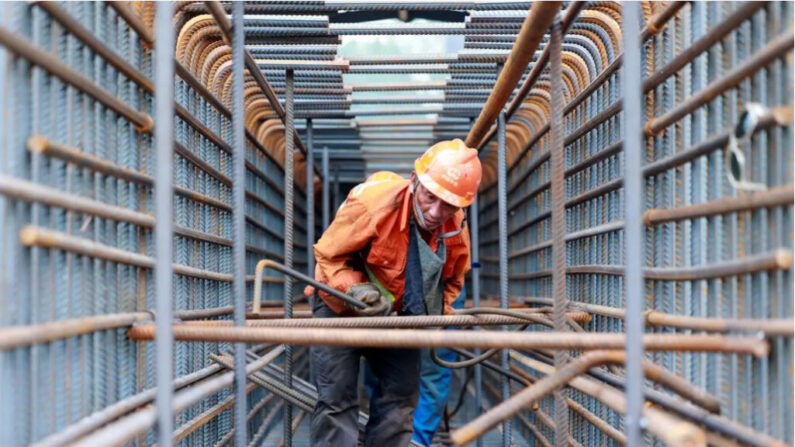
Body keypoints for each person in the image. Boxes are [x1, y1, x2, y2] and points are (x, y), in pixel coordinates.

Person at [305, 139, 482, 447]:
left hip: (400, 315)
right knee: (337, 398)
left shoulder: (455, 228)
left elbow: (453, 280)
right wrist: (354, 290)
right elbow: (328, 255)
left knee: (399, 399)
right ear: (415, 181)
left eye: (450, 205)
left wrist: (433, 313)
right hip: (338, 305)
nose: (437, 212)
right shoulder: (372, 205)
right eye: (430, 197)